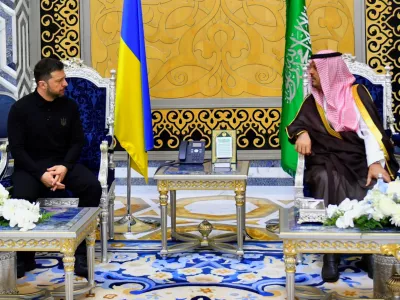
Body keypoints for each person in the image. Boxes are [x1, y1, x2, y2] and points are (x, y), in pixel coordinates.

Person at [286, 50, 399, 282]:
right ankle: (330, 254)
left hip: (358, 157)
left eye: (314, 69)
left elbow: (372, 133)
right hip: (325, 159)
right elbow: (298, 124)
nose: (309, 73)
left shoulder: (357, 94)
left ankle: (368, 250)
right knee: (325, 178)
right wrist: (303, 133)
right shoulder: (314, 100)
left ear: (330, 72)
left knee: (369, 181)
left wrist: (375, 163)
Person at [7, 58, 102, 278]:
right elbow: (17, 149)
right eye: (60, 80)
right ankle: (24, 256)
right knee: (21, 194)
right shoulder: (20, 109)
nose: (66, 84)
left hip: (62, 164)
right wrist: (40, 175)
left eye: (64, 79)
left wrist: (65, 167)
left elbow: (77, 142)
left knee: (92, 187)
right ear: (43, 84)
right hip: (31, 167)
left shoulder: (69, 106)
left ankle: (79, 254)